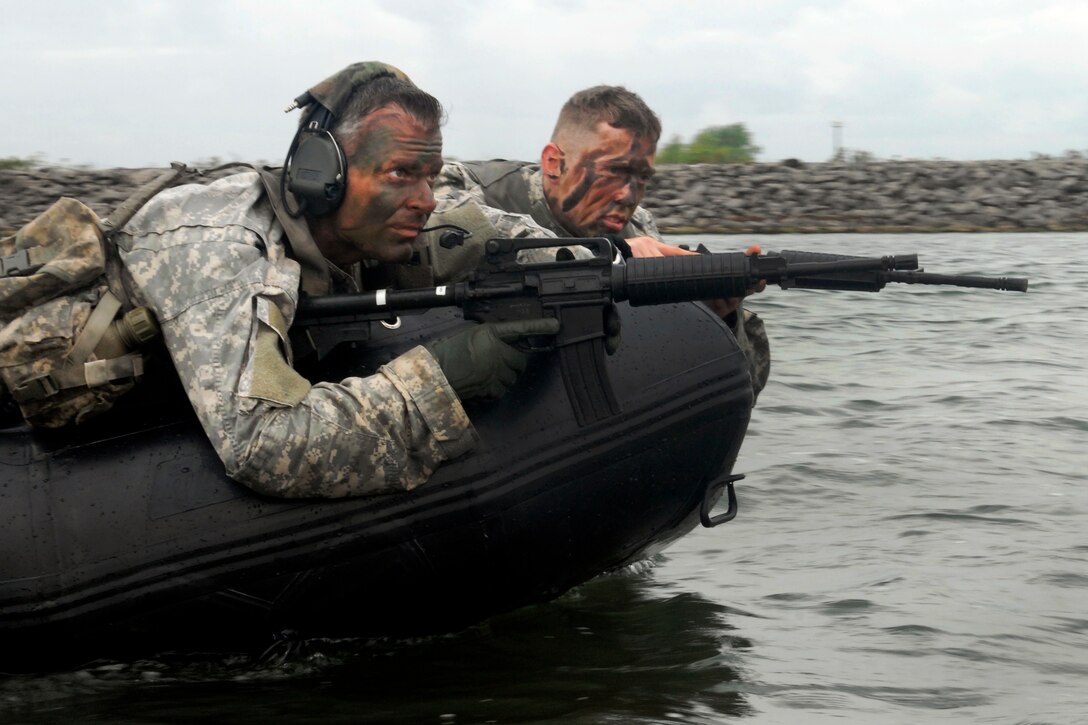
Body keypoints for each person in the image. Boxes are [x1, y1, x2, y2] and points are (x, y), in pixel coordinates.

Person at [114, 62, 558, 499]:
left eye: (431, 176)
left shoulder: (374, 222)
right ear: (322, 171)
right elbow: (261, 446)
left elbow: (482, 230)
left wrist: (593, 263)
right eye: (400, 174)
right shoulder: (221, 246)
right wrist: (442, 378)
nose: (424, 200)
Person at [434, 85, 771, 400]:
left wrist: (714, 315)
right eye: (614, 172)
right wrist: (615, 259)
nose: (628, 196)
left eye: (642, 178)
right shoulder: (470, 187)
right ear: (554, 162)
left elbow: (745, 385)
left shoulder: (638, 226)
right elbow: (446, 232)